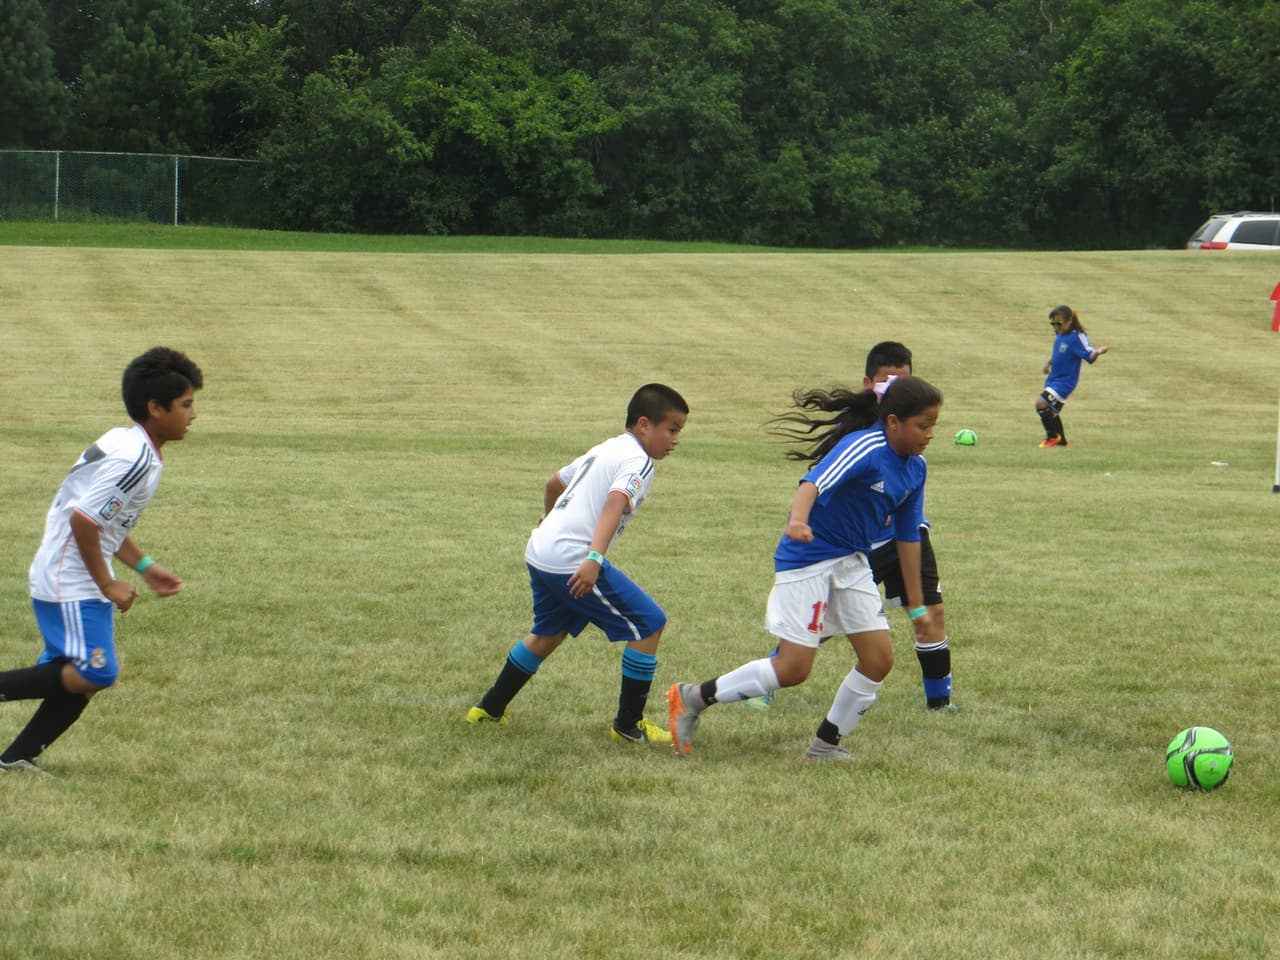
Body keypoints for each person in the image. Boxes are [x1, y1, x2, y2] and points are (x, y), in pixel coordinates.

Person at [668, 375, 942, 762]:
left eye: (934, 425)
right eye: (923, 425)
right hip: (808, 559)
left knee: (879, 659)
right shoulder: (864, 446)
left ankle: (824, 746)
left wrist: (917, 607)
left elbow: (909, 537)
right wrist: (797, 521)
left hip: (852, 562)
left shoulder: (916, 469)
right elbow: (812, 484)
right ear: (893, 421)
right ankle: (693, 696)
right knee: (794, 668)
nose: (930, 434)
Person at [0, 347, 203, 775]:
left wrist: (145, 567)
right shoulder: (135, 459)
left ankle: (17, 757)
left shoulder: (126, 442)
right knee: (96, 672)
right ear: (155, 407)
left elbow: (107, 522)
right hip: (69, 579)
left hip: (76, 573)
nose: (194, 415)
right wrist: (109, 584)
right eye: (186, 405)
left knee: (83, 676)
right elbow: (85, 520)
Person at [467, 383, 689, 745]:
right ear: (645, 424)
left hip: (541, 551)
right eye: (673, 429)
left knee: (548, 633)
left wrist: (548, 516)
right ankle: (628, 726)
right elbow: (615, 502)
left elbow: (555, 481)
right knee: (650, 625)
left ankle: (488, 709)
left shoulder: (607, 447)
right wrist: (594, 559)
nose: (676, 440)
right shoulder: (639, 460)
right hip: (571, 559)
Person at [747, 341, 955, 712]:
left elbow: (905, 494)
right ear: (867, 383)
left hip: (904, 536)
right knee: (824, 622)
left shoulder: (913, 428)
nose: (892, 390)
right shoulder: (857, 435)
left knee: (931, 611)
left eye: (901, 383)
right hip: (856, 545)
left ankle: (940, 703)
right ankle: (774, 673)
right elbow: (817, 482)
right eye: (884, 383)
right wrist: (799, 520)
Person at [1037, 305, 1108, 448]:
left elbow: (1089, 356)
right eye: (1053, 324)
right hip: (1054, 379)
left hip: (1065, 382)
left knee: (1041, 403)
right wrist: (1048, 363)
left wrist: (1098, 352)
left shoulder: (1077, 337)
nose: (1056, 327)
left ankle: (1052, 437)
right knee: (1052, 411)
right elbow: (1061, 354)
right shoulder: (1060, 335)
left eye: (1059, 323)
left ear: (1069, 321)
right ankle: (1062, 441)